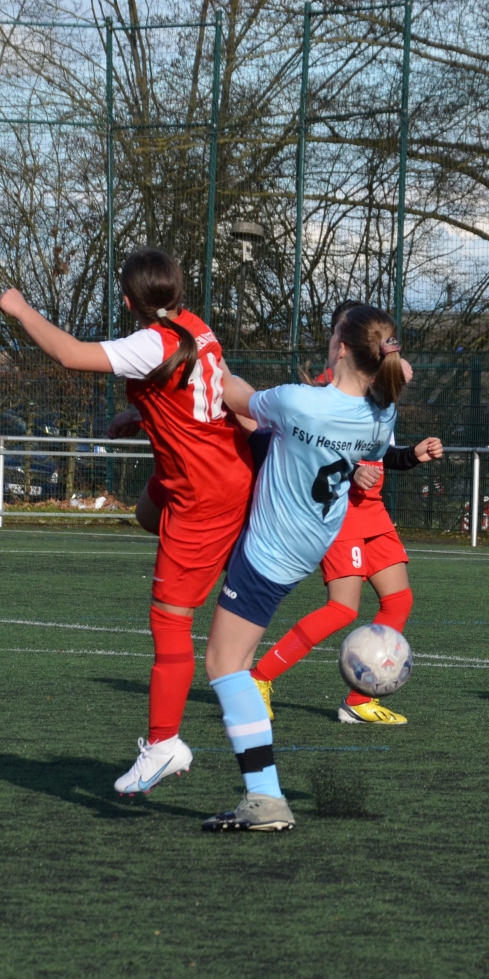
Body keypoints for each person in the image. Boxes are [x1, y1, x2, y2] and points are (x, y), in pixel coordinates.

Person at [0, 249, 253, 797]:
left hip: (202, 491)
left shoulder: (149, 341)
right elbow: (201, 388)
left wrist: (21, 310)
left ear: (129, 299)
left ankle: (164, 745)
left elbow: (69, 355)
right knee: (144, 512)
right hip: (216, 466)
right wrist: (143, 416)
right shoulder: (192, 325)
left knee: (170, 619)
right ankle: (226, 560)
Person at [198, 304, 404, 832]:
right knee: (231, 660)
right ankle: (263, 796)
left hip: (270, 550)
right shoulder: (384, 415)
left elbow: (230, 391)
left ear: (339, 348)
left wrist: (205, 350)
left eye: (333, 335)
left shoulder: (301, 402)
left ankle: (265, 798)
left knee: (224, 664)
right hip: (312, 541)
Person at [249, 301, 444, 726]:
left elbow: (380, 454)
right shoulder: (321, 393)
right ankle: (259, 678)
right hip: (339, 509)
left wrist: (411, 455)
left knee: (399, 600)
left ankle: (359, 699)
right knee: (343, 608)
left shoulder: (376, 395)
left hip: (373, 512)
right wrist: (352, 472)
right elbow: (322, 457)